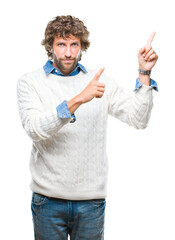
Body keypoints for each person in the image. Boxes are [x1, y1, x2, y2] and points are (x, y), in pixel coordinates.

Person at [16, 15, 158, 240]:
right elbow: (35, 129)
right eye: (61, 44)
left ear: (82, 47)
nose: (68, 52)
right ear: (50, 46)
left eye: (74, 44)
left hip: (91, 202)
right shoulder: (30, 82)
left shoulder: (100, 82)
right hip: (47, 201)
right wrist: (79, 99)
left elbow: (138, 119)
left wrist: (144, 74)